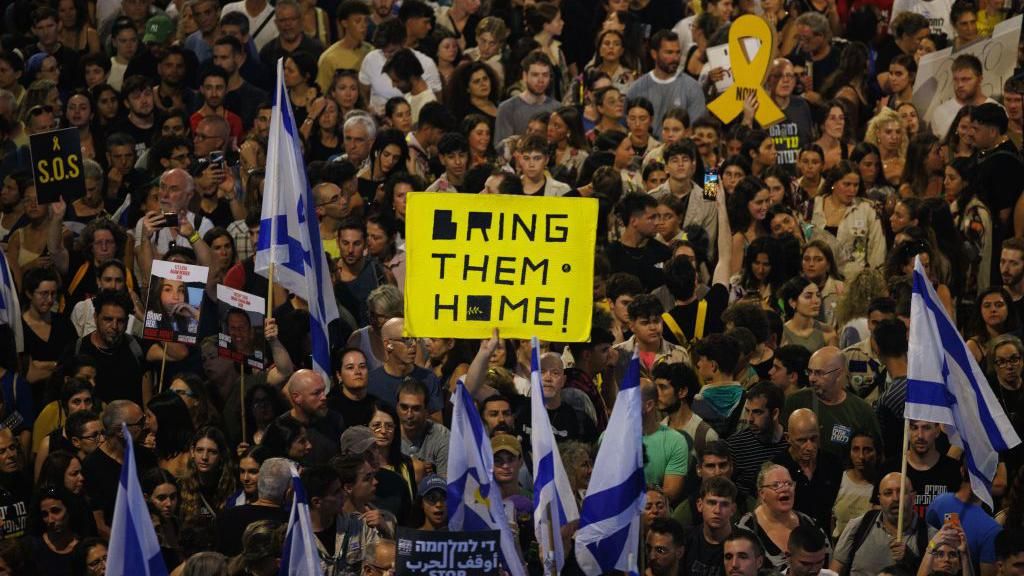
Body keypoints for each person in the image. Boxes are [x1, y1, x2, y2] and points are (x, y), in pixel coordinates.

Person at [783, 346, 882, 460]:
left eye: (819, 373)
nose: (812, 378)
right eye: (810, 372)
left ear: (839, 374)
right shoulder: (795, 402)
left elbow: (876, 454)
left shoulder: (862, 411)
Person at [831, 472, 936, 576]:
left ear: (913, 497)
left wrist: (911, 560)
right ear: (879, 499)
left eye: (901, 491)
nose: (895, 498)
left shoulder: (931, 537)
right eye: (888, 493)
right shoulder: (858, 526)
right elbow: (834, 572)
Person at [736, 463, 831, 572]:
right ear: (762, 493)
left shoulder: (809, 523)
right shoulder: (745, 529)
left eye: (789, 484)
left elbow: (828, 563)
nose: (785, 489)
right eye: (776, 485)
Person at [773, 409, 843, 531]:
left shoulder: (833, 464)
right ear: (787, 438)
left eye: (814, 439)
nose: (809, 447)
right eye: (802, 440)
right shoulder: (776, 469)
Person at [626, 30, 705, 138]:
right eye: (669, 52)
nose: (675, 58)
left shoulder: (692, 88)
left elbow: (695, 129)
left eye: (678, 52)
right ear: (654, 54)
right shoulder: (637, 88)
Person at [216, 457, 291, 557]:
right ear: (289, 491)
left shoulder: (226, 516)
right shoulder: (291, 523)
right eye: (241, 471)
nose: (246, 478)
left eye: (253, 472)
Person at [726, 382, 790, 496]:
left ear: (775, 413)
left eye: (757, 412)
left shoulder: (790, 443)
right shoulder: (735, 445)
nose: (749, 419)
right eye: (747, 411)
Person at [494, 51, 558, 145]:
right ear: (524, 76)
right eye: (535, 75)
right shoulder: (507, 108)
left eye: (545, 75)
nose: (541, 80)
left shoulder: (558, 109)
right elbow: (501, 148)